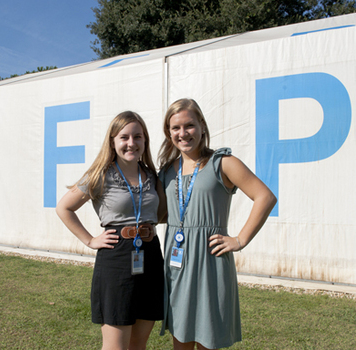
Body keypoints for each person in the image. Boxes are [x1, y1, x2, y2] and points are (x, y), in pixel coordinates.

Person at [157, 99, 277, 350]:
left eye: (189, 125)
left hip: (210, 258)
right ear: (168, 133)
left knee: (208, 336)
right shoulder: (168, 170)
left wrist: (240, 240)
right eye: (175, 128)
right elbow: (161, 213)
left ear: (202, 125)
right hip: (176, 261)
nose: (183, 133)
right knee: (180, 335)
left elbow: (265, 197)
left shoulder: (222, 162)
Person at [56, 111, 165, 350]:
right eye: (124, 137)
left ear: (145, 141)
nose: (131, 143)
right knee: (116, 346)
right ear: (113, 141)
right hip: (116, 258)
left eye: (138, 136)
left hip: (151, 255)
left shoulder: (152, 175)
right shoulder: (100, 174)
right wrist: (90, 240)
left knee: (138, 345)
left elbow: (161, 214)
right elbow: (64, 207)